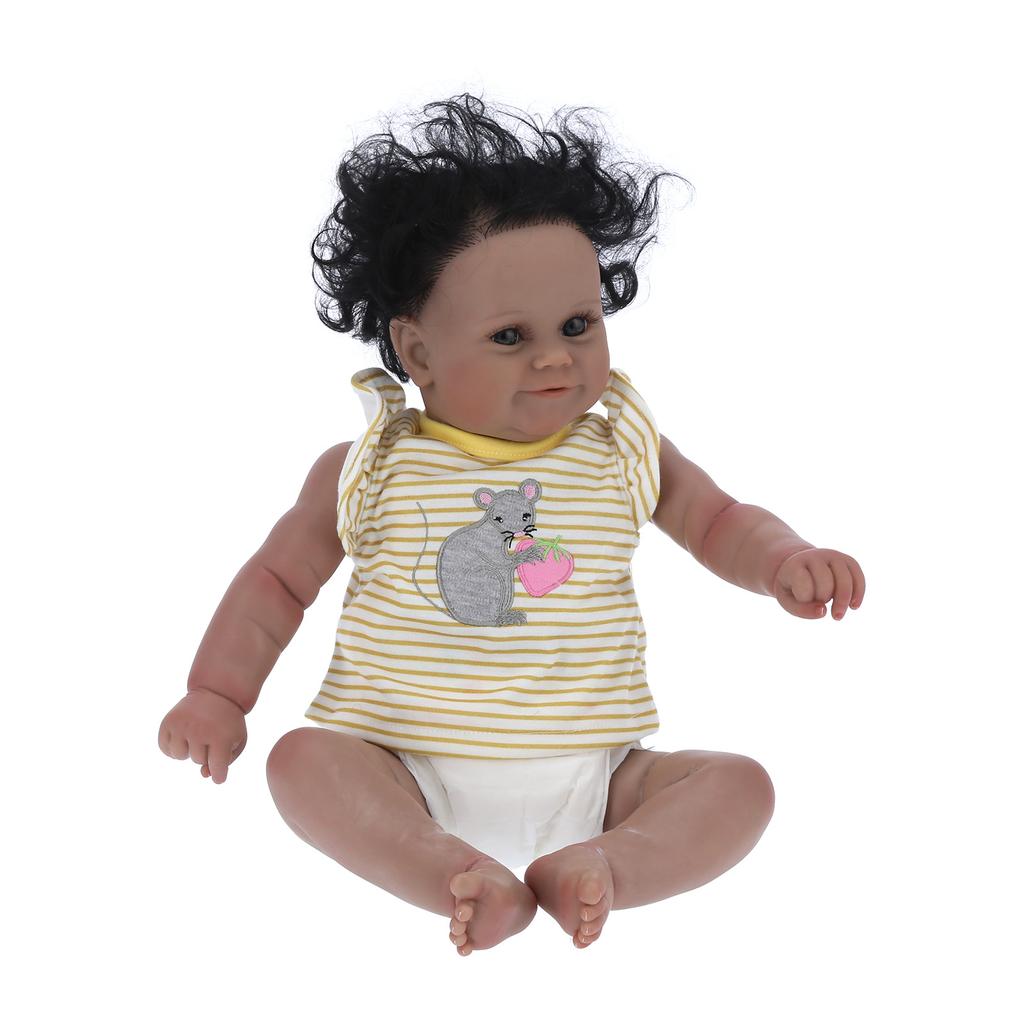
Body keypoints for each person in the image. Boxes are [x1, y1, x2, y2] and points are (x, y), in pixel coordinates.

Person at [158, 93, 865, 957]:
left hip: (599, 777)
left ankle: (603, 866)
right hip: (401, 765)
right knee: (302, 764)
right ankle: (453, 874)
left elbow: (718, 521)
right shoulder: (370, 465)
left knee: (741, 788)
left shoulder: (624, 450)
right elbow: (276, 583)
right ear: (417, 352)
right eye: (510, 336)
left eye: (577, 324)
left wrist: (785, 558)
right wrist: (218, 693)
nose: (556, 355)